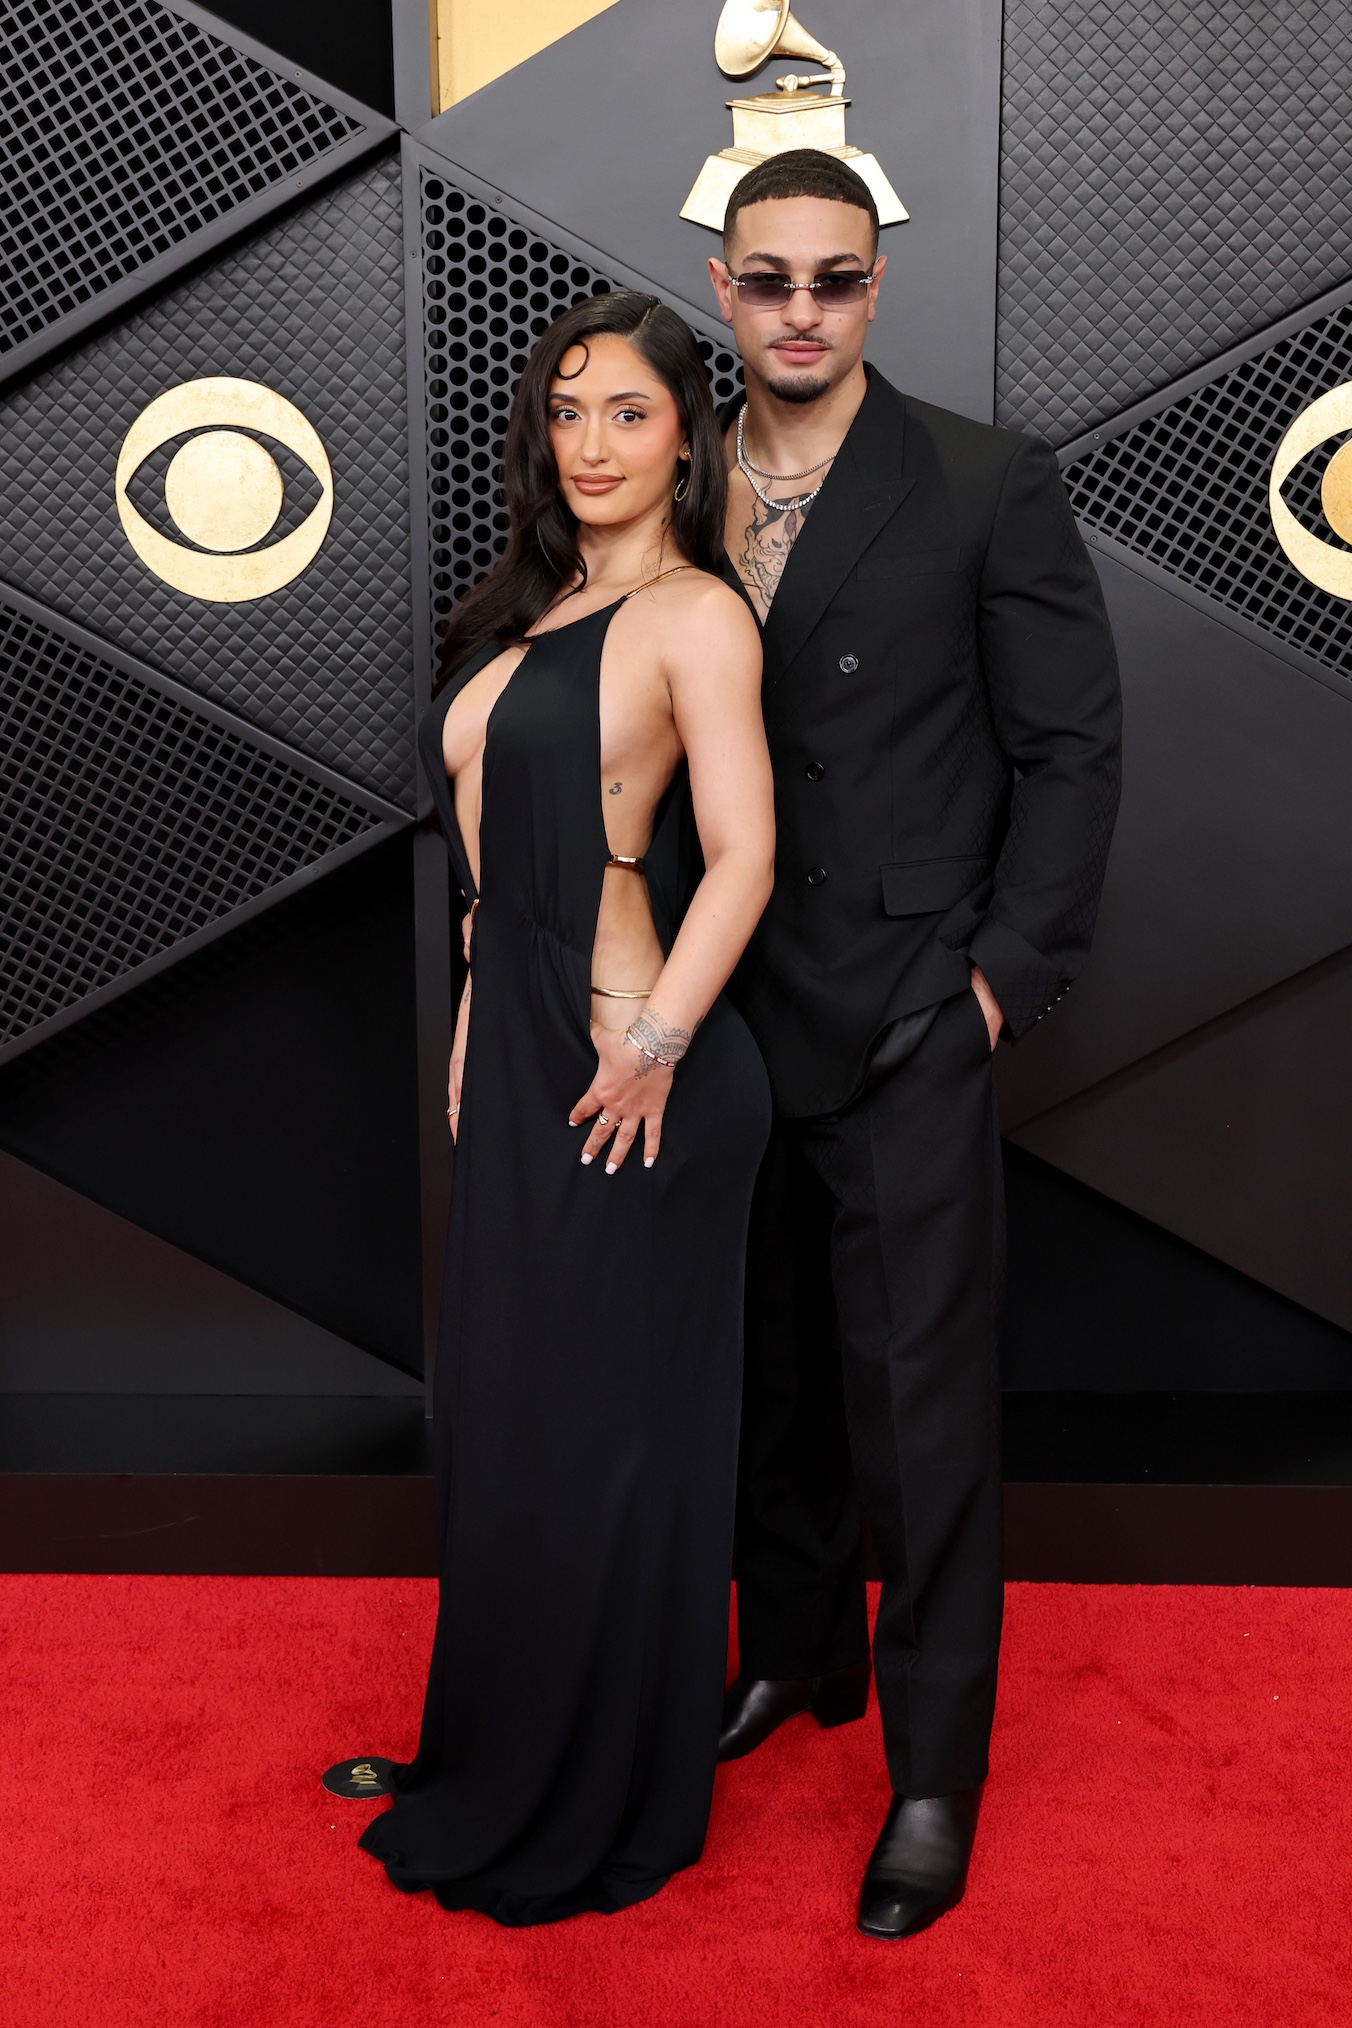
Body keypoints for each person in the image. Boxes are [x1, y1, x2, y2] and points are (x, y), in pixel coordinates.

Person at [708, 151, 1122, 1940]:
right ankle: (793, 1651)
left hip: (903, 1006)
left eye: (836, 277)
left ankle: (934, 1772)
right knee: (764, 1369)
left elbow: (1072, 749)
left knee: (920, 1412)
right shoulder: (665, 467)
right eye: (771, 277)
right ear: (722, 286)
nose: (802, 308)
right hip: (717, 1008)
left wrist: (999, 980)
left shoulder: (979, 476)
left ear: (876, 286)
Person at [351, 292, 774, 1925]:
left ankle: (598, 1788)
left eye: (629, 414)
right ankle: (499, 1747)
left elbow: (741, 856)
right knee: (516, 1426)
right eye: (567, 409)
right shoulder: (533, 607)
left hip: (629, 1075)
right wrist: (473, 1026)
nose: (590, 444)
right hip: (524, 1049)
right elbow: (487, 872)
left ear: (687, 440)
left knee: (605, 1445)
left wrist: (657, 1042)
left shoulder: (694, 617)